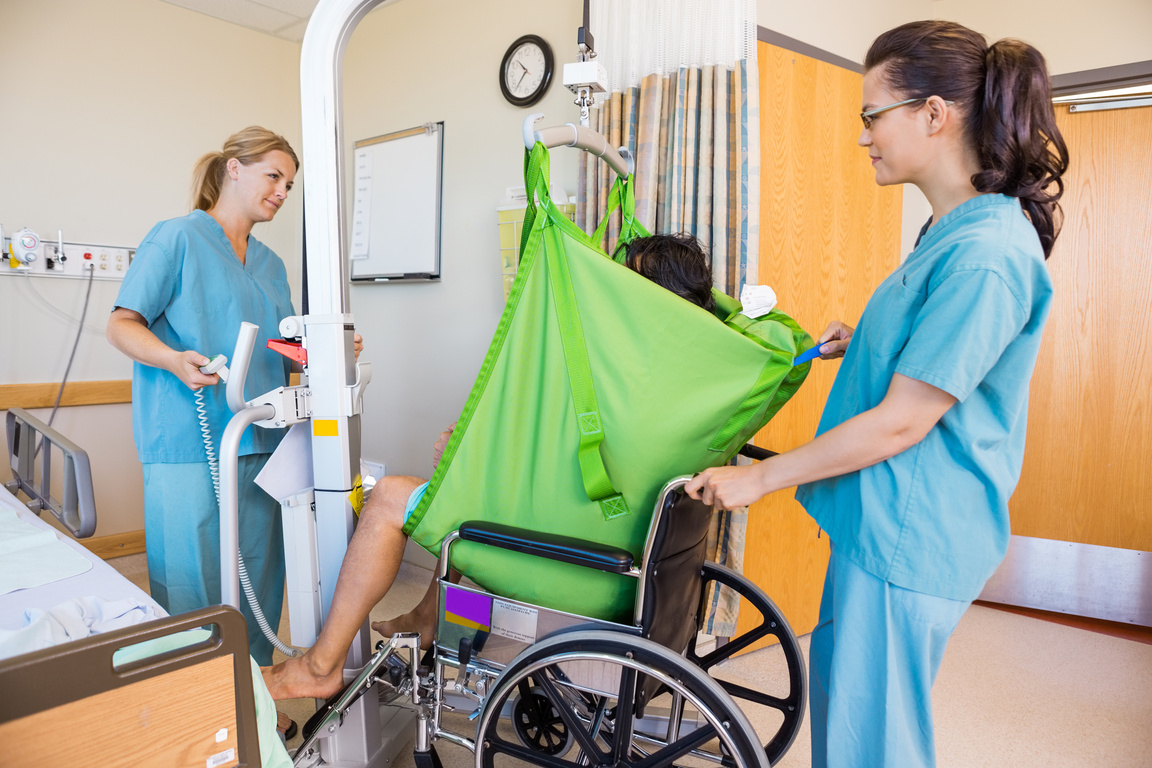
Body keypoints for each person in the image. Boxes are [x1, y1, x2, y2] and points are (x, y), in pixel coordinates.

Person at [685, 20, 1067, 768]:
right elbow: (942, 359)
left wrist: (760, 477)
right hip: (887, 522)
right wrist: (861, 342)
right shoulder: (953, 230)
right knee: (852, 721)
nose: (864, 136)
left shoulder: (986, 254)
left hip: (911, 534)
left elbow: (901, 424)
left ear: (933, 113)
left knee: (874, 748)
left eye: (871, 115)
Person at [263, 232, 718, 701]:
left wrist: (466, 456)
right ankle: (427, 616)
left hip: (581, 568)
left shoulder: (623, 373)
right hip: (634, 565)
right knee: (466, 490)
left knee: (391, 497)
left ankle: (320, 666)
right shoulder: (685, 381)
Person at [106, 127, 361, 668]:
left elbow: (284, 345)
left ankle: (256, 701)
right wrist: (174, 360)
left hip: (262, 436)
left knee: (258, 576)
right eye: (274, 176)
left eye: (289, 184)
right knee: (192, 579)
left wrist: (330, 349)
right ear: (234, 169)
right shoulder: (175, 238)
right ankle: (197, 703)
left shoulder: (271, 263)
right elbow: (122, 324)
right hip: (187, 437)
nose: (282, 192)